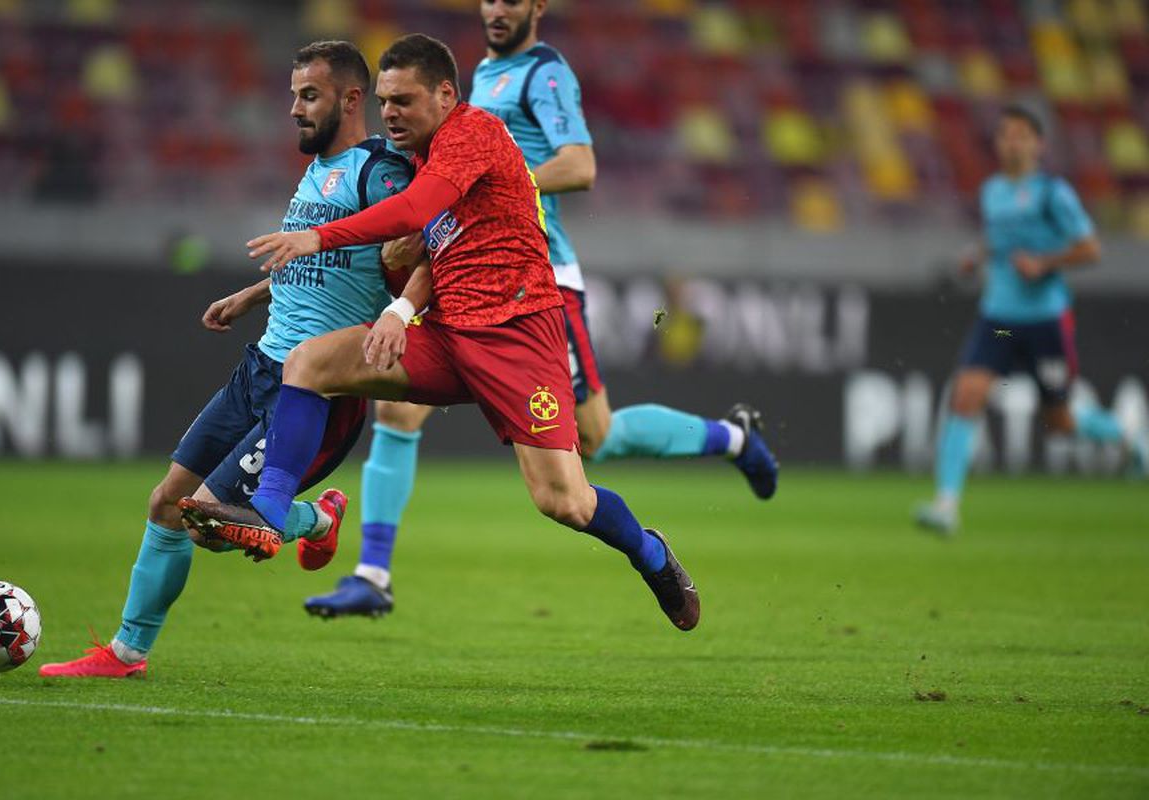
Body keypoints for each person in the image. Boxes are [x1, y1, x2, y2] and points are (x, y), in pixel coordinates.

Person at [178, 34, 701, 631]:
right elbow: (434, 252)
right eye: (384, 101)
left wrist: (318, 237)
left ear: (446, 94)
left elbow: (411, 214)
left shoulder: (472, 134)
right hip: (449, 333)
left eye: (403, 100)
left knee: (564, 501)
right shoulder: (419, 157)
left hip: (517, 337)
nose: (390, 114)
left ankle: (650, 552)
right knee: (309, 362)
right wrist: (397, 311)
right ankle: (271, 509)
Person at [304, 0, 779, 619]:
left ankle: (732, 439)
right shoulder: (476, 81)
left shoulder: (542, 72)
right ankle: (373, 572)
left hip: (536, 277)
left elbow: (580, 165)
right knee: (394, 406)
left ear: (537, 6)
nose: (497, 9)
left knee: (593, 442)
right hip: (461, 275)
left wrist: (487, 180)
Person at [38, 41, 413, 677]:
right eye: (293, 95)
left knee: (205, 522)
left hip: (314, 390)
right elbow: (326, 261)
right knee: (167, 501)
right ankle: (126, 654)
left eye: (309, 96)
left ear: (352, 100)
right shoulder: (319, 169)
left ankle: (314, 520)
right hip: (259, 367)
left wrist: (400, 310)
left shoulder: (380, 174)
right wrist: (252, 294)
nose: (294, 109)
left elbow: (415, 249)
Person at [915, 105, 1143, 535]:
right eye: (1005, 135)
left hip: (1044, 323)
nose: (1012, 143)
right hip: (1000, 321)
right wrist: (974, 257)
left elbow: (1091, 248)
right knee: (966, 394)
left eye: (1021, 135)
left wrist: (1044, 263)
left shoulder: (1053, 194)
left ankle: (1131, 437)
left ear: (1039, 144)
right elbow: (997, 240)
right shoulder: (992, 192)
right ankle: (946, 505)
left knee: (1059, 421)